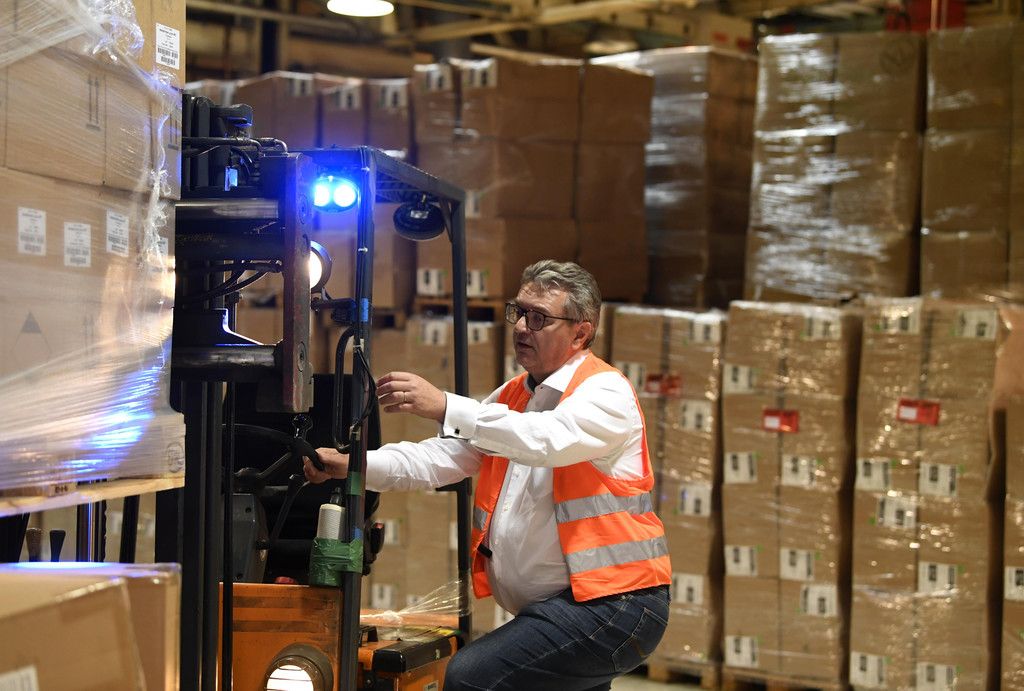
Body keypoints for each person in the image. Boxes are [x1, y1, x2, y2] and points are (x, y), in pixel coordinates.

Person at [304, 260, 671, 691]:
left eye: (539, 318)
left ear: (580, 333)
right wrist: (355, 465)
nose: (522, 327)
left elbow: (544, 440)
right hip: (563, 607)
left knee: (471, 676)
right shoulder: (514, 397)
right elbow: (439, 459)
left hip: (614, 605)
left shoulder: (605, 392)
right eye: (520, 312)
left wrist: (446, 405)